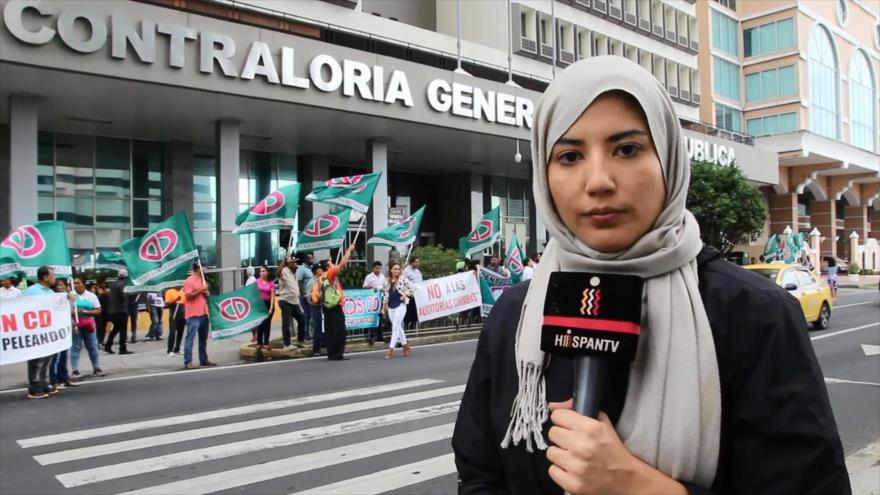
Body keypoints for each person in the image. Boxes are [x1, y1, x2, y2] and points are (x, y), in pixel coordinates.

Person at [452, 57, 850, 495]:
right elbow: (480, 475)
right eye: (569, 156)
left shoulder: (752, 313)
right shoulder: (514, 314)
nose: (598, 181)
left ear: (669, 158)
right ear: (544, 178)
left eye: (627, 149)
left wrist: (639, 487)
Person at [310, 243, 356, 361]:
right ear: (327, 267)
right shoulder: (330, 274)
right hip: (335, 306)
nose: (332, 264)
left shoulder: (321, 278)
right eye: (330, 263)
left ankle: (332, 354)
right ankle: (337, 354)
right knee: (339, 331)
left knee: (330, 330)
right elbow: (343, 263)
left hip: (326, 306)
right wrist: (349, 250)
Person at [22, 266, 61, 399]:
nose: (54, 278)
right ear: (45, 277)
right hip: (35, 331)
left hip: (48, 331)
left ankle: (44, 383)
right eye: (53, 275)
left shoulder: (50, 292)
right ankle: (34, 387)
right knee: (36, 359)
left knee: (47, 358)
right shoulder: (32, 291)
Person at [70, 276, 104, 380]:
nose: (75, 285)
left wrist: (86, 312)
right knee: (75, 347)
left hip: (89, 325)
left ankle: (96, 367)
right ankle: (74, 369)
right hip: (76, 325)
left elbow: (98, 310)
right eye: (74, 283)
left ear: (83, 284)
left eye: (78, 283)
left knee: (92, 346)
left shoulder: (91, 296)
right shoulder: (71, 296)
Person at [183, 261, 216, 369]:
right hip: (193, 314)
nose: (206, 269)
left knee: (203, 339)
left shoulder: (203, 280)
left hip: (203, 313)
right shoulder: (189, 280)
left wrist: (207, 293)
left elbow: (205, 296)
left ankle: (203, 359)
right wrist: (201, 289)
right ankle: (188, 361)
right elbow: (188, 296)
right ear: (198, 268)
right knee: (190, 339)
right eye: (204, 267)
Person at [382, 262, 416, 359]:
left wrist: (405, 295)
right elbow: (386, 294)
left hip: (401, 305)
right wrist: (384, 306)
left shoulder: (403, 278)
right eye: (395, 269)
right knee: (397, 327)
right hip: (391, 306)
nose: (397, 271)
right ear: (391, 270)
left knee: (395, 327)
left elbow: (413, 287)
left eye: (398, 269)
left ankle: (390, 349)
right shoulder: (387, 280)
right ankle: (406, 346)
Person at [49, 279, 76, 390]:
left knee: (64, 355)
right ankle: (54, 380)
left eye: (61, 285)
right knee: (55, 357)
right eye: (58, 285)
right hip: (56, 330)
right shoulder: (52, 298)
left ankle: (64, 378)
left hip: (65, 329)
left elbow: (72, 312)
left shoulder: (68, 297)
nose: (59, 287)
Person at [277, 257, 306, 349]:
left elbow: (295, 288)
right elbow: (292, 286)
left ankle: (300, 340)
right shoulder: (284, 271)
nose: (295, 263)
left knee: (301, 319)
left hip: (293, 300)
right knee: (286, 323)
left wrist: (298, 303)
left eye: (295, 262)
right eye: (293, 262)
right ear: (288, 263)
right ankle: (286, 344)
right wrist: (297, 294)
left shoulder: (293, 273)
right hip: (285, 300)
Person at [104, 269, 133, 355]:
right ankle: (122, 348)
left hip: (112, 311)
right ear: (126, 277)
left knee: (115, 329)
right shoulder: (122, 285)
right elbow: (124, 296)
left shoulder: (113, 285)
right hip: (121, 311)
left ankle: (108, 346)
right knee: (123, 330)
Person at [362, 261, 386, 345]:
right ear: (373, 268)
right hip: (372, 300)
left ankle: (380, 336)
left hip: (380, 298)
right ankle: (372, 336)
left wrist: (383, 289)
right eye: (377, 268)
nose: (378, 270)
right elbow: (364, 287)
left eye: (380, 268)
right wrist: (371, 287)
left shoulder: (382, 277)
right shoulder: (369, 277)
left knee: (380, 317)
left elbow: (385, 286)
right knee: (372, 317)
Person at [254, 265, 276, 350]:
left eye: (263, 271)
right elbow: (254, 293)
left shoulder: (271, 283)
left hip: (268, 304)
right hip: (260, 305)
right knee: (260, 324)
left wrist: (271, 307)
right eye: (260, 271)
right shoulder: (257, 281)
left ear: (267, 273)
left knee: (267, 324)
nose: (261, 273)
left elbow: (273, 296)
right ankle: (259, 343)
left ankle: (266, 343)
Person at [296, 253, 315, 340]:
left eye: (312, 258)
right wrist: (303, 293)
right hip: (304, 296)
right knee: (307, 315)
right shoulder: (301, 269)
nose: (312, 260)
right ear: (305, 260)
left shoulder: (311, 269)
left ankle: (309, 333)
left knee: (311, 315)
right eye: (310, 259)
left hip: (311, 295)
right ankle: (306, 333)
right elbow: (299, 282)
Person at [163, 287, 186, 356]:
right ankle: (170, 350)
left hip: (182, 313)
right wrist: (175, 300)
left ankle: (177, 349)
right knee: (172, 332)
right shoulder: (169, 291)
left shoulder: (183, 291)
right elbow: (167, 304)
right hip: (174, 314)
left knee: (180, 332)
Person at [402, 257, 422, 328]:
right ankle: (407, 329)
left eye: (418, 262)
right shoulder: (406, 271)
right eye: (416, 262)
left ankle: (414, 329)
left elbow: (420, 283)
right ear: (411, 262)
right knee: (408, 314)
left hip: (418, 296)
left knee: (415, 314)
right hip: (409, 296)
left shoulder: (418, 272)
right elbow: (402, 282)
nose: (418, 263)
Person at [95, 277, 110, 345]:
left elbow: (108, 293)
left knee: (104, 326)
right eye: (103, 282)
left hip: (106, 309)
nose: (104, 283)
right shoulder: (97, 288)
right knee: (99, 326)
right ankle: (99, 340)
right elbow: (100, 293)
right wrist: (105, 291)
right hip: (99, 309)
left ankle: (101, 340)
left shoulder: (105, 288)